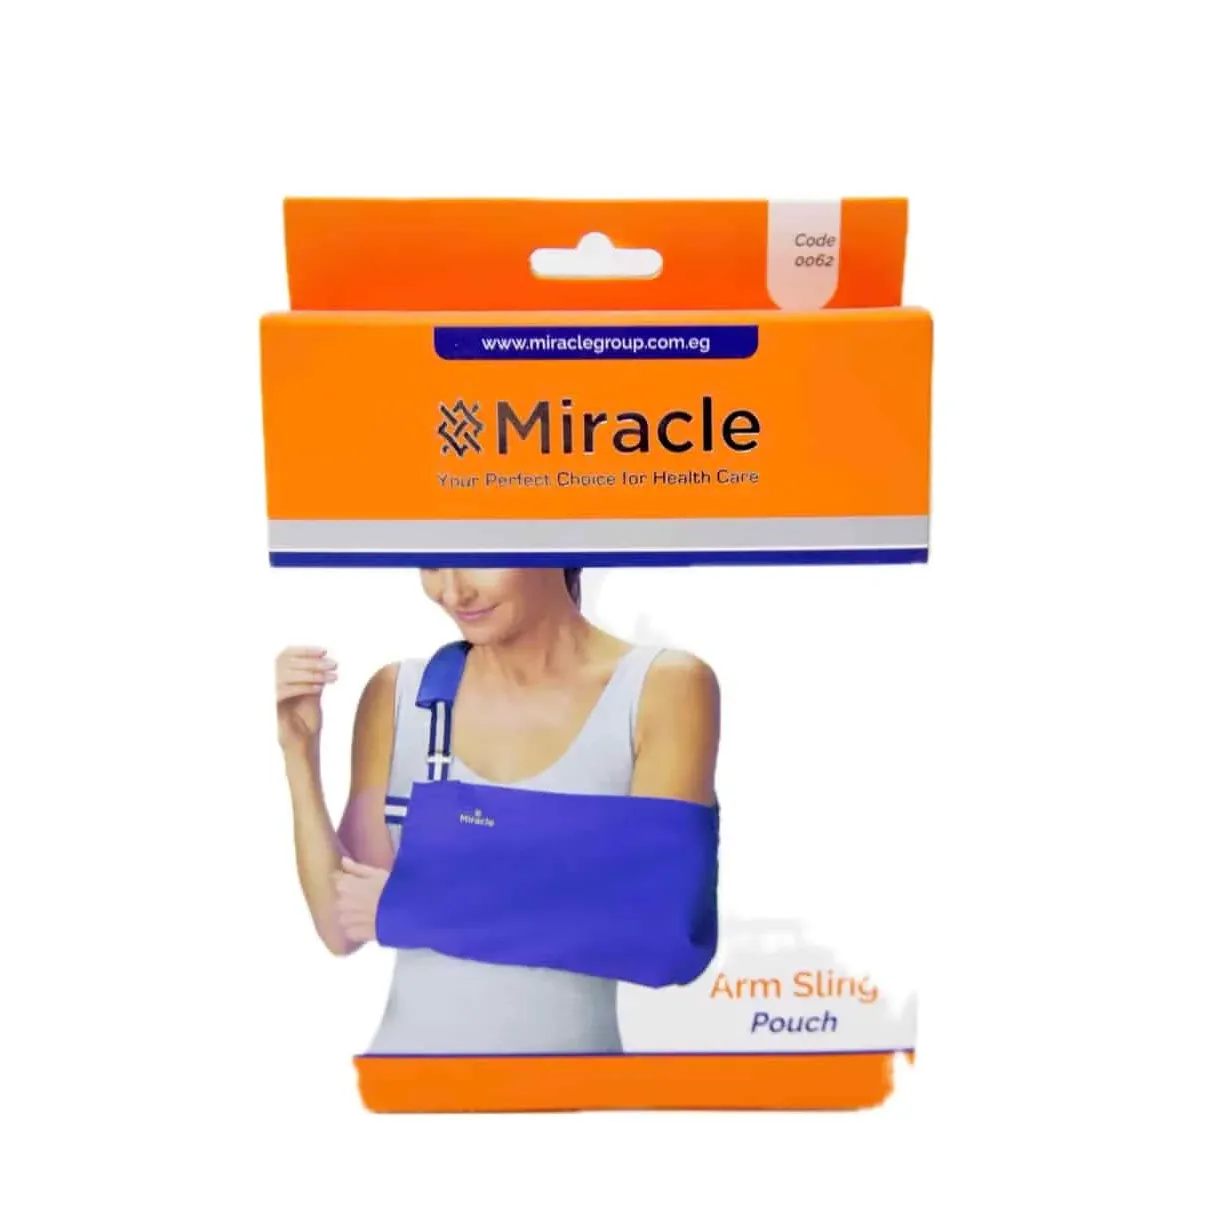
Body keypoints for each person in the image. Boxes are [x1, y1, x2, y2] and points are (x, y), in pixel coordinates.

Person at [274, 566, 720, 1055]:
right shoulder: (402, 695)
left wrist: (418, 908)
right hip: (410, 1074)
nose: (453, 592)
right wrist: (299, 751)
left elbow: (666, 941)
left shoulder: (659, 688)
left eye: (477, 559)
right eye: (431, 565)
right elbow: (345, 925)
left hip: (572, 1088)